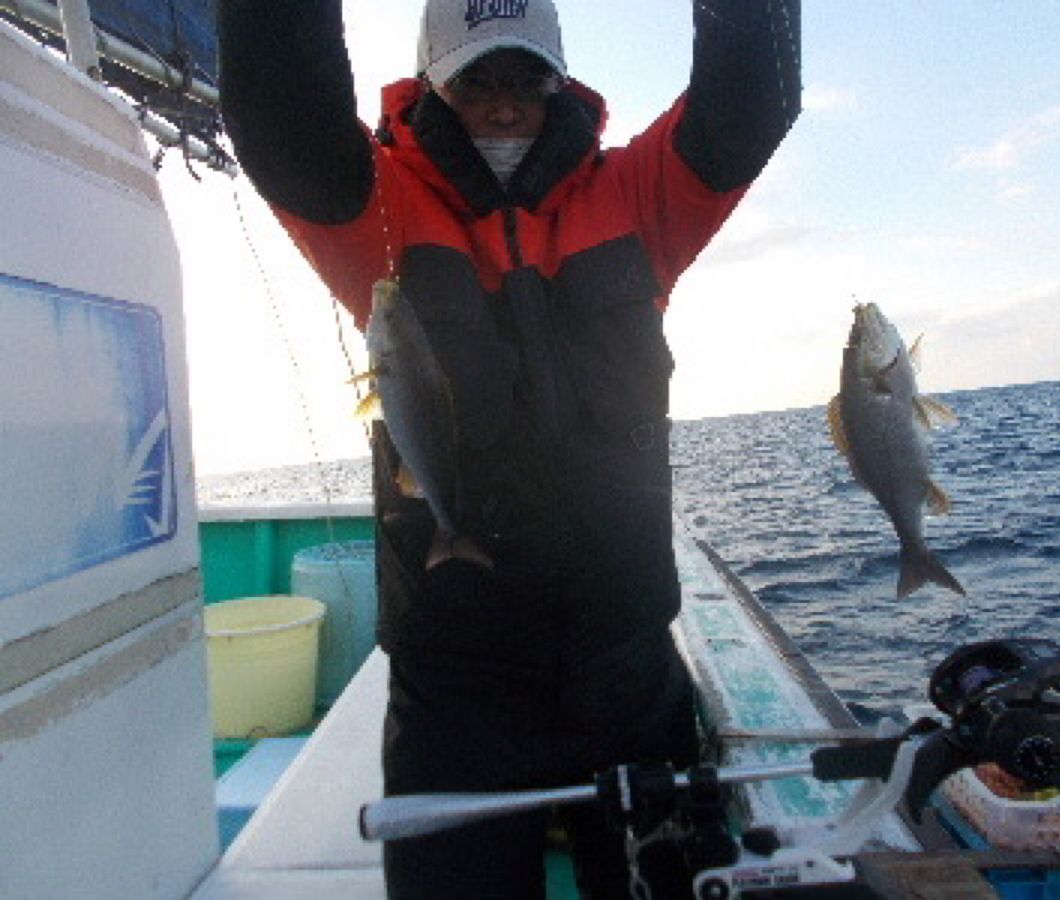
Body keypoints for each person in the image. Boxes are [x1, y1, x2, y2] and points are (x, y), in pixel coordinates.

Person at [218, 0, 800, 896]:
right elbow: (284, 119)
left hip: (628, 666)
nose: (501, 107)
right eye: (475, 79)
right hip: (456, 688)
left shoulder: (639, 199)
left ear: (558, 85)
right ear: (432, 89)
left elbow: (748, 106)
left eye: (525, 80)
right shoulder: (376, 211)